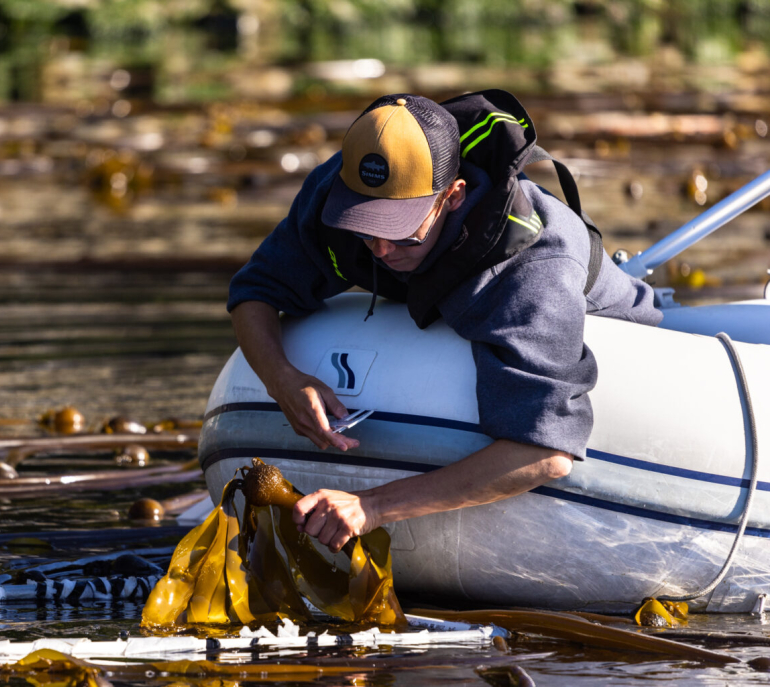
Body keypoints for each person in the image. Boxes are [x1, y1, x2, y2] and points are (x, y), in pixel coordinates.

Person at [227, 92, 664, 554]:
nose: (380, 249)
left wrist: (371, 508)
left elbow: (546, 454)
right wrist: (282, 379)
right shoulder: (341, 194)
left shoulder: (532, 272)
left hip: (613, 338)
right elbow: (254, 290)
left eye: (400, 231)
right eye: (363, 226)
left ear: (452, 197)